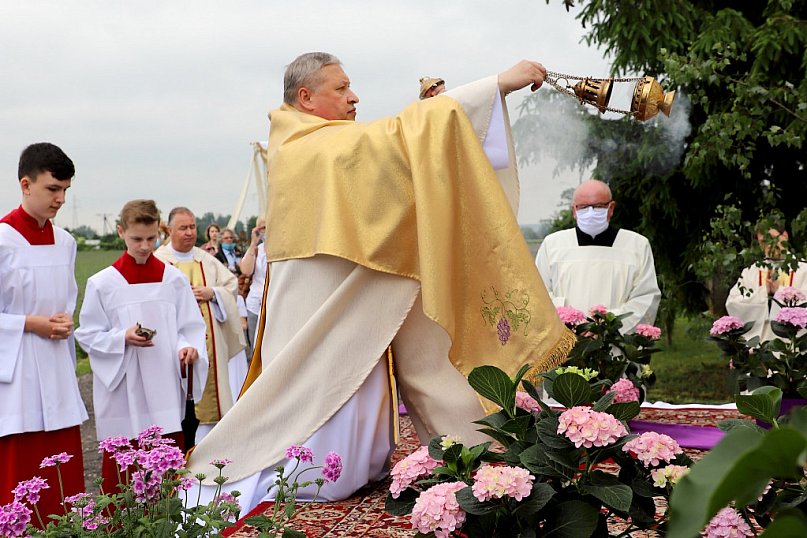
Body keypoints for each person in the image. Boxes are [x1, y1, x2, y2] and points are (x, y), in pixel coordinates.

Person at [186, 52, 574, 512]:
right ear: (305, 97)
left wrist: (435, 118)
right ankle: (299, 476)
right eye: (341, 88)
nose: (354, 97)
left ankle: (446, 451)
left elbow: (384, 155)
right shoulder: (304, 144)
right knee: (309, 430)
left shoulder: (323, 141)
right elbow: (389, 141)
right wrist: (494, 87)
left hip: (345, 300)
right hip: (319, 306)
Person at [75, 199, 207, 488]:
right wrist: (122, 337)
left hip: (163, 384)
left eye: (151, 238)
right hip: (124, 387)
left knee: (166, 468)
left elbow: (190, 327)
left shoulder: (173, 280)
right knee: (124, 472)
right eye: (137, 239)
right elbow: (88, 334)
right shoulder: (103, 283)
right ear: (121, 232)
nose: (145, 246)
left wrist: (187, 347)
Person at [0, 143, 88, 522]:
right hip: (16, 377)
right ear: (25, 184)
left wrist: (65, 320)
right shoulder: (3, 240)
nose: (61, 199)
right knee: (22, 475)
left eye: (66, 190)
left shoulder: (66, 242)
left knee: (62, 479)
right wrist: (27, 323)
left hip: (55, 371)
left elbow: (66, 299)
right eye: (53, 189)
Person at [154, 208, 245, 444]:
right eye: (183, 228)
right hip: (175, 343)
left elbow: (231, 285)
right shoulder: (160, 261)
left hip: (209, 341)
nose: (189, 232)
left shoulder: (206, 259)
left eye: (192, 227)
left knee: (211, 403)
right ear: (170, 230)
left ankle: (212, 450)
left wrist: (213, 293)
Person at [535, 179, 662, 333]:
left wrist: (607, 327)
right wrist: (572, 325)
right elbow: (539, 294)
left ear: (611, 208)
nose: (590, 213)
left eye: (598, 206)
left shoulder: (637, 245)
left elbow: (645, 298)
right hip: (567, 342)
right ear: (574, 211)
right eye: (583, 207)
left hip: (615, 343)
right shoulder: (552, 245)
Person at [726, 223, 807, 342]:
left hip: (795, 346)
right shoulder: (750, 272)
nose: (769, 245)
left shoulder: (803, 269)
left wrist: (780, 292)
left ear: (784, 236)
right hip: (760, 343)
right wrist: (764, 293)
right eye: (763, 241)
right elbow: (732, 303)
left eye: (772, 239)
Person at [239, 218, 267, 351]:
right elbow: (246, 271)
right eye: (262, 228)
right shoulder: (257, 250)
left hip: (274, 300)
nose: (265, 231)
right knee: (255, 347)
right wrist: (253, 243)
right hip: (255, 303)